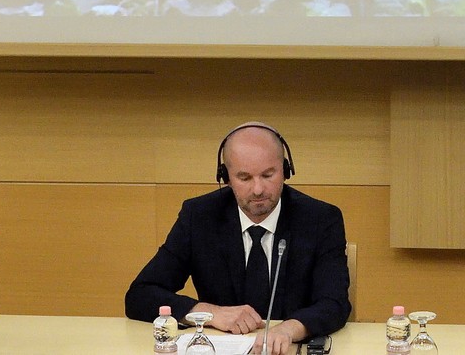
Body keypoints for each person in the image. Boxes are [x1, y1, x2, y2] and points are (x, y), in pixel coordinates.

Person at [126, 123, 351, 355]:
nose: (258, 189)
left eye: (268, 174)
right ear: (226, 177)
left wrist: (288, 329)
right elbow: (140, 295)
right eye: (244, 178)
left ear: (286, 170)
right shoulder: (200, 217)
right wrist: (210, 313)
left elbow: (334, 303)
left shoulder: (321, 219)